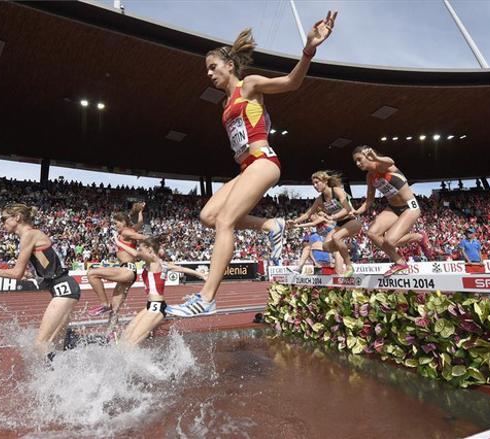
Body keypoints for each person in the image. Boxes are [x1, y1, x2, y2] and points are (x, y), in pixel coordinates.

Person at [166, 11, 338, 317]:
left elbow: (290, 82)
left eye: (213, 67)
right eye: (207, 70)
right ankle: (272, 225)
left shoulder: (250, 85)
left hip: (264, 161)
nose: (208, 74)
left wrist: (309, 49)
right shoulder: (224, 103)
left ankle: (207, 298)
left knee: (225, 222)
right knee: (208, 215)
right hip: (247, 167)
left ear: (230, 66)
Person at [0, 203, 81, 360]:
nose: (2, 223)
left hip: (64, 289)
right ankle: (72, 372)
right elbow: (46, 268)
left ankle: (54, 380)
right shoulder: (31, 235)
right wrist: (32, 275)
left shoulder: (29, 235)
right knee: (57, 346)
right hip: (66, 288)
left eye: (4, 219)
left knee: (40, 345)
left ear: (17, 217)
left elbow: (16, 274)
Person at [351, 146, 433, 277]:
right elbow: (369, 201)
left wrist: (376, 157)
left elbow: (391, 161)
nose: (357, 163)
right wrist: (356, 211)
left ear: (368, 156)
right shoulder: (369, 177)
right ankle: (400, 262)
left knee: (390, 241)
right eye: (355, 161)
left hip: (410, 207)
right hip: (393, 208)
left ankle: (419, 237)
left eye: (359, 159)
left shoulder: (382, 165)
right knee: (372, 233)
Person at [114, 236, 206, 346]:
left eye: (141, 249)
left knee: (132, 342)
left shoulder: (155, 262)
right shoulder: (154, 263)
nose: (140, 252)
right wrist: (200, 274)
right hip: (150, 306)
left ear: (150, 250)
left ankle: (134, 361)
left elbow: (136, 254)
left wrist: (118, 242)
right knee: (126, 335)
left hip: (157, 307)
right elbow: (183, 269)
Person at [288, 171, 361, 276]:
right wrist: (294, 222)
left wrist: (333, 217)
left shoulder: (337, 191)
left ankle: (349, 266)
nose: (315, 186)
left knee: (336, 238)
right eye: (313, 184)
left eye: (317, 182)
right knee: (326, 247)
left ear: (325, 181)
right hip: (340, 225)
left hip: (353, 220)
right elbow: (308, 214)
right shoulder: (320, 199)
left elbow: (347, 209)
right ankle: (350, 246)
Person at [87, 205, 148, 320]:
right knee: (114, 310)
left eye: (116, 223)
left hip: (127, 270)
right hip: (130, 273)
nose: (115, 226)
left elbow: (142, 237)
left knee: (92, 273)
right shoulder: (130, 230)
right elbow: (140, 223)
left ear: (123, 222)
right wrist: (140, 212)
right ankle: (111, 335)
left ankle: (104, 304)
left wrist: (146, 238)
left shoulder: (125, 232)